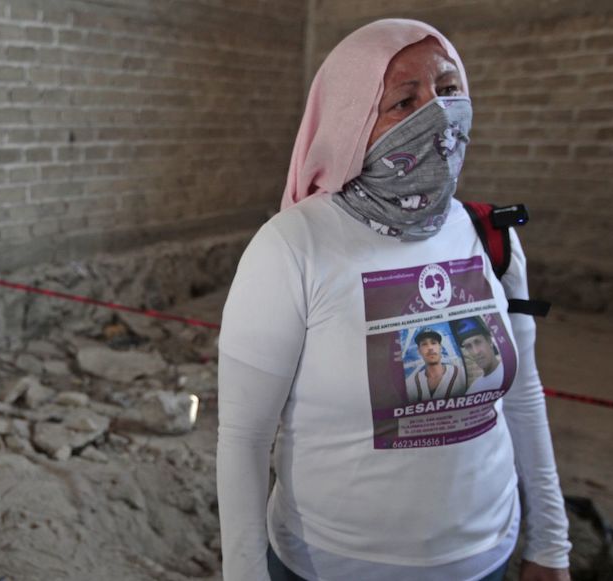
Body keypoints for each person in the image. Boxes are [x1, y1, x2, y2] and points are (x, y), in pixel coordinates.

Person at [217, 19, 571, 581]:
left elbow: (523, 396)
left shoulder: (490, 235)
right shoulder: (293, 246)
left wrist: (552, 542)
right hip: (329, 566)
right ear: (350, 123)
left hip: (486, 558)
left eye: (449, 90)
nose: (440, 115)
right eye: (405, 102)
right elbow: (245, 437)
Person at [408, 327, 467, 402]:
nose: (430, 347)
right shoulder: (411, 384)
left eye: (433, 343)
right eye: (424, 344)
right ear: (419, 350)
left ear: (440, 347)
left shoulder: (461, 373)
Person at [458, 318, 505, 394]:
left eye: (478, 342)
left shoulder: (509, 373)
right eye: (468, 346)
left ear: (489, 341)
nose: (476, 352)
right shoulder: (473, 389)